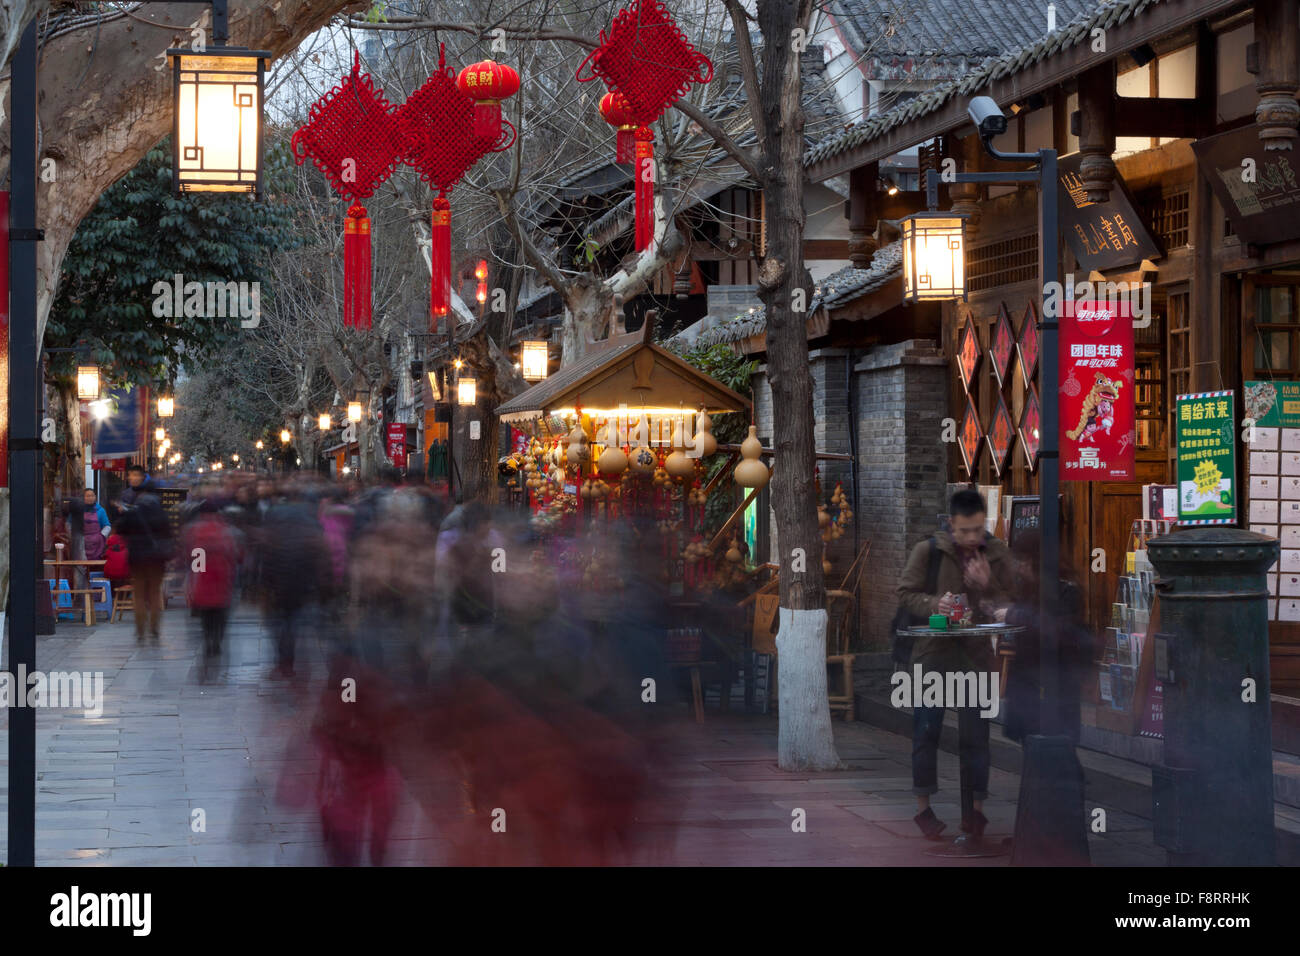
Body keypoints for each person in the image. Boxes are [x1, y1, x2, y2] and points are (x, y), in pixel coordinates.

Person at [896, 488, 1015, 851]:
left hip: (976, 654)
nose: (971, 538)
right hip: (933, 653)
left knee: (976, 736)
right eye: (964, 531)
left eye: (977, 530)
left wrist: (986, 583)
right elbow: (905, 592)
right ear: (951, 525)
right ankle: (924, 809)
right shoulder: (929, 550)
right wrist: (937, 603)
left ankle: (975, 811)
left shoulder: (996, 553)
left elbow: (1012, 602)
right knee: (926, 730)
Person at [994, 529, 1094, 746]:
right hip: (1029, 686)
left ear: (1037, 561)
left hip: (1053, 685)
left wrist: (1013, 614)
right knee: (1036, 748)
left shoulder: (1066, 590)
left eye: (1024, 561)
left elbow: (1054, 628)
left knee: (1054, 750)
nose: (1020, 567)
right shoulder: (1028, 588)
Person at [113, 465, 175, 641]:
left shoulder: (134, 510)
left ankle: (140, 630)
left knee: (139, 594)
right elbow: (169, 534)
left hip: (137, 557)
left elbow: (121, 530)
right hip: (157, 558)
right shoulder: (161, 512)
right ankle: (154, 628)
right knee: (154, 592)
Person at [182, 500, 242, 659]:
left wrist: (193, 580)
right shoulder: (226, 530)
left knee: (206, 614)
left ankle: (209, 639)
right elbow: (234, 555)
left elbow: (194, 558)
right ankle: (217, 639)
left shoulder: (194, 530)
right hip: (222, 575)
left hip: (203, 577)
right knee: (220, 613)